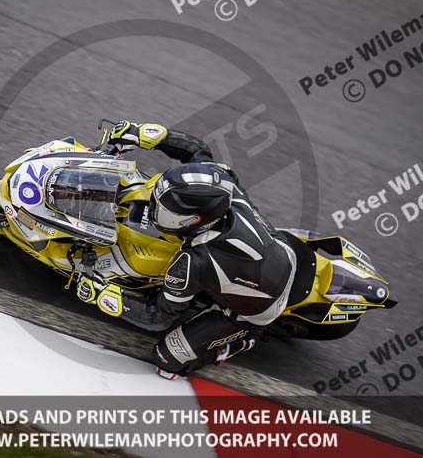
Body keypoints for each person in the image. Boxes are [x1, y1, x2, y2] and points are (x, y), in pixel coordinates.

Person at [101, 120, 310, 379]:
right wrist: (146, 135)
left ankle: (245, 339)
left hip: (259, 309)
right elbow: (196, 149)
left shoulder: (193, 261)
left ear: (194, 220)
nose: (154, 208)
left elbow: (158, 315)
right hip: (282, 248)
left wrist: (103, 295)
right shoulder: (225, 184)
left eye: (165, 211)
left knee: (166, 360)